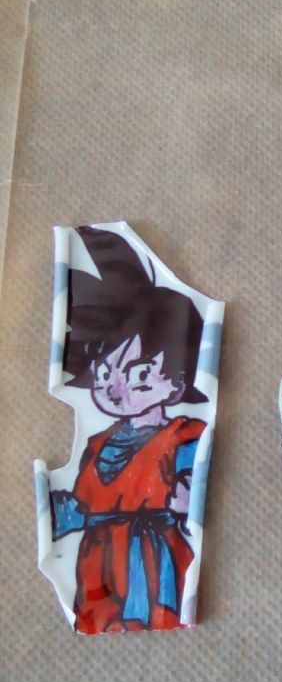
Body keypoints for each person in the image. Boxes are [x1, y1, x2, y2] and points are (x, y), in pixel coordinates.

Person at [51, 226, 207, 633]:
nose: (114, 388)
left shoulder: (182, 436)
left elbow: (190, 493)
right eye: (104, 374)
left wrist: (183, 493)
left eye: (137, 375)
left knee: (143, 619)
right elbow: (82, 505)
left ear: (175, 387)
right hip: (96, 565)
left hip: (149, 563)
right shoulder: (98, 443)